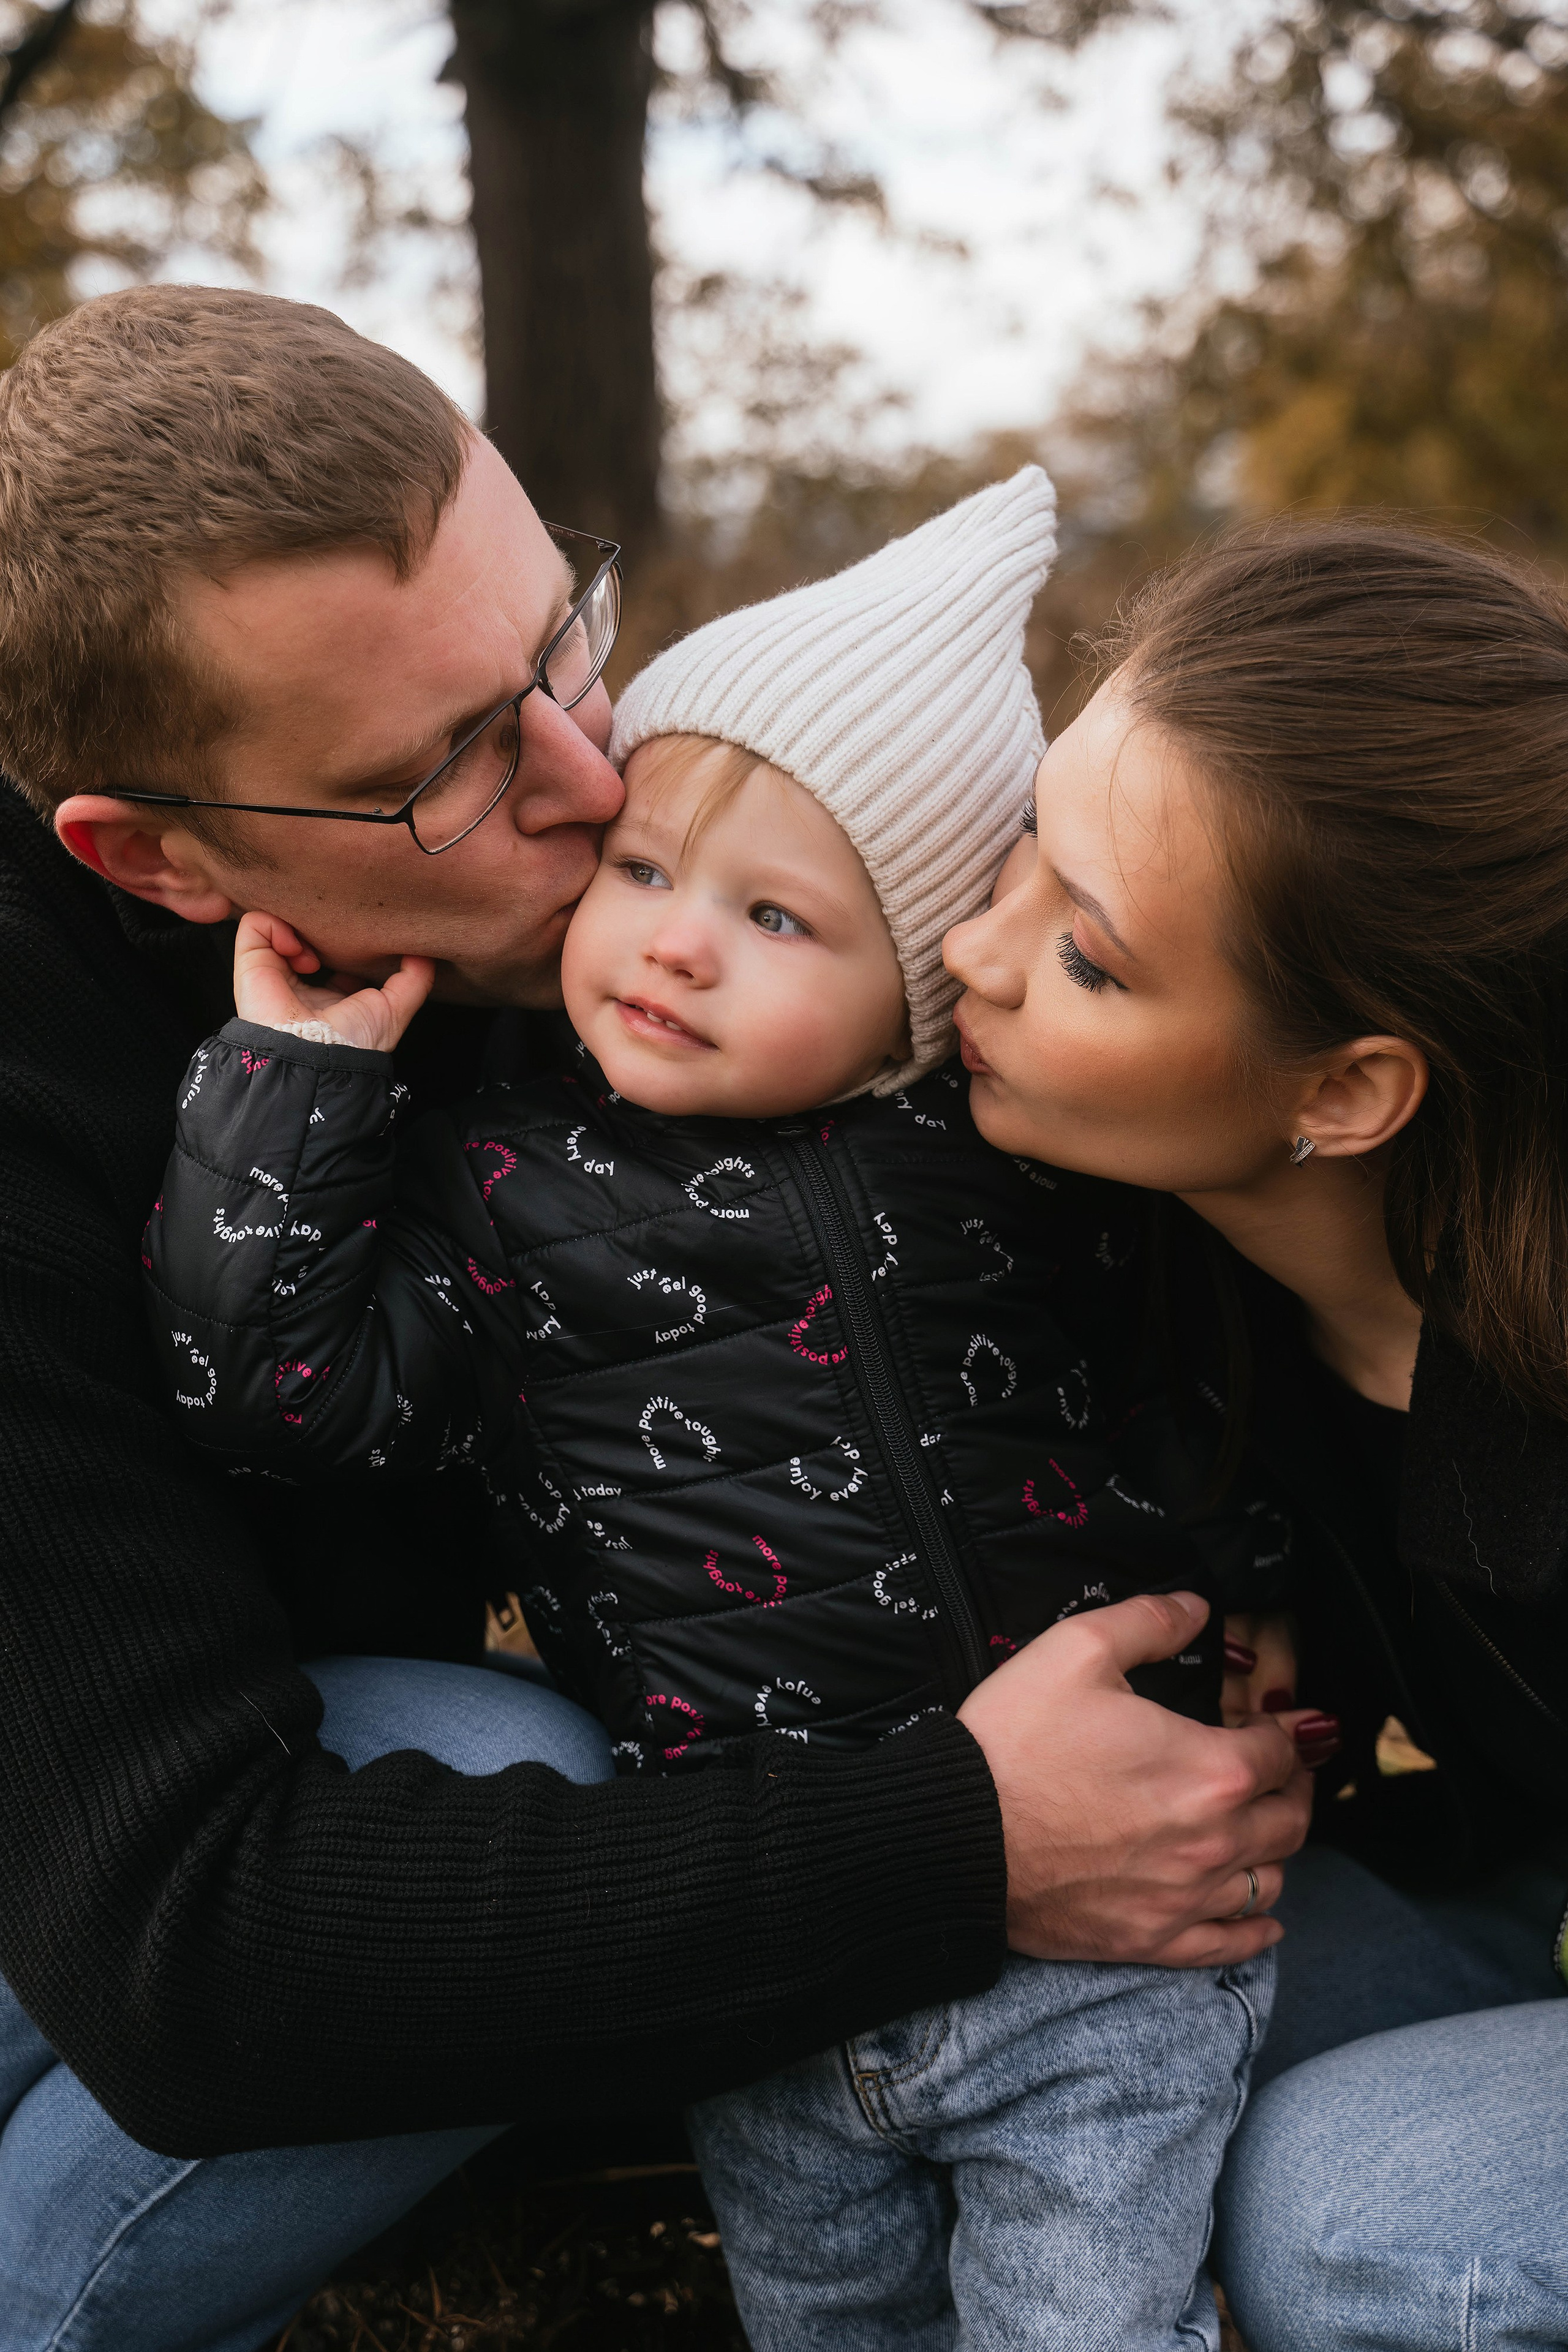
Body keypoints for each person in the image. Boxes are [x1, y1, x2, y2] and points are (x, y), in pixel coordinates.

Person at [0, 282, 1307, 2350]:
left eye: (556, 647)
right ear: (154, 859)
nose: (590, 777)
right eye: (447, 762)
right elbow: (193, 1950)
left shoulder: (610, 939)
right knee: (483, 1761)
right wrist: (961, 1844)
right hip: (85, 1865)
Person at [945, 517, 1568, 2350]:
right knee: (1101, 1982)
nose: (976, 955)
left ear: (1350, 1088)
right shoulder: (1177, 1279)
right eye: (1025, 858)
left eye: (1090, 957)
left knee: (1351, 2215)